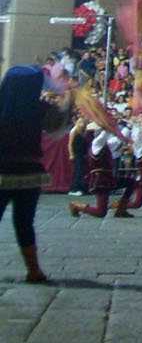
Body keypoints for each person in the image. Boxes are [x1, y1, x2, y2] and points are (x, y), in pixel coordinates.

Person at [0, 66, 73, 282]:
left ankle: (34, 270)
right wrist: (71, 97)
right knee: (24, 221)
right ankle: (33, 269)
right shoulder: (38, 108)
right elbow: (58, 125)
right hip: (28, 171)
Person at [68, 123, 137, 219]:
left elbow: (118, 139)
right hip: (99, 181)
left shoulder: (107, 145)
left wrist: (127, 127)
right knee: (101, 212)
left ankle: (121, 208)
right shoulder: (96, 144)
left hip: (109, 178)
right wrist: (108, 126)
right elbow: (103, 136)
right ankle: (77, 206)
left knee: (131, 182)